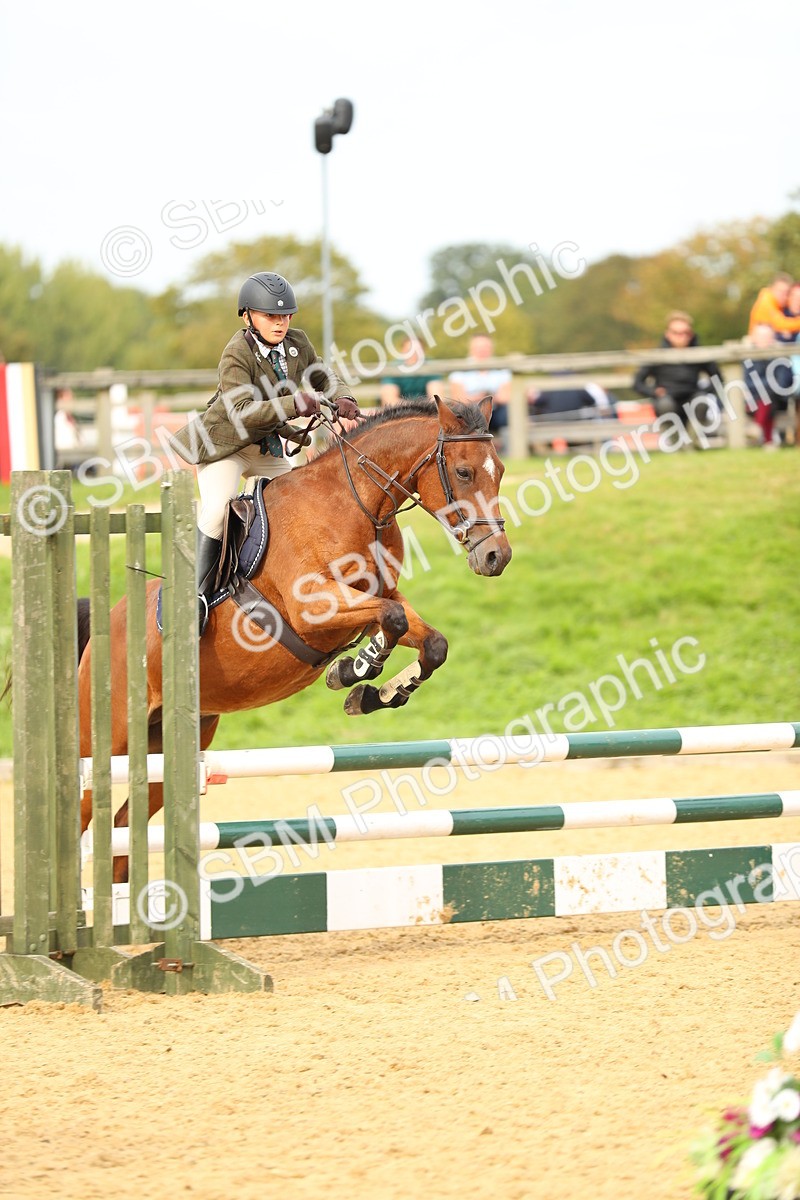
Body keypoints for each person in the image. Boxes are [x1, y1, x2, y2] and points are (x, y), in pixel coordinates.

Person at [171, 271, 360, 631]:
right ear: (248, 316)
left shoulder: (297, 343)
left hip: (266, 445)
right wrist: (296, 402)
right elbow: (241, 413)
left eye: (285, 316)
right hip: (226, 446)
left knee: (299, 507)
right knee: (217, 510)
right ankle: (194, 596)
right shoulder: (235, 354)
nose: (280, 323)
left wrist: (344, 397)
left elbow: (324, 376)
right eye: (271, 316)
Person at [632, 312, 721, 439]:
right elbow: (637, 383)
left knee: (701, 400)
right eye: (676, 333)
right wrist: (655, 392)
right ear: (667, 334)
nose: (681, 337)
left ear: (691, 334)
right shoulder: (657, 355)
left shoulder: (699, 354)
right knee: (665, 404)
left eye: (685, 333)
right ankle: (675, 442)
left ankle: (694, 440)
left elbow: (717, 378)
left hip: (692, 398)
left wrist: (703, 391)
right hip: (667, 400)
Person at [447, 333, 512, 448]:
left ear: (491, 349)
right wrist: (484, 397)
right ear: (471, 349)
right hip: (470, 413)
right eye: (478, 348)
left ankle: (511, 449)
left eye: (485, 347)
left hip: (496, 413)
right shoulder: (459, 370)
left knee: (510, 413)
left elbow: (505, 397)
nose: (482, 351)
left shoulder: (501, 369)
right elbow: (457, 399)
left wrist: (483, 398)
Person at [742, 323, 794, 449]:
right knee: (765, 395)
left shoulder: (780, 356)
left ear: (773, 338)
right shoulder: (746, 356)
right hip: (752, 399)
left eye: (767, 336)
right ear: (753, 338)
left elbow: (783, 382)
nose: (764, 340)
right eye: (760, 336)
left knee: (768, 395)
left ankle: (758, 429)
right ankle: (768, 441)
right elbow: (747, 381)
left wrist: (764, 387)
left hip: (777, 398)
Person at [379, 336, 443, 407]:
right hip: (401, 411)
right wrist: (416, 407)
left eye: (418, 351)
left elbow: (436, 398)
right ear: (403, 351)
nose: (413, 354)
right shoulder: (393, 368)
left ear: (423, 352)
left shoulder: (429, 366)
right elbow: (389, 400)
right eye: (409, 350)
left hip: (423, 411)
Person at [748, 272, 800, 338]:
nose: (783, 296)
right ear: (772, 289)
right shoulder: (766, 301)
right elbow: (781, 324)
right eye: (780, 291)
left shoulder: (780, 303)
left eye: (786, 293)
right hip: (759, 343)